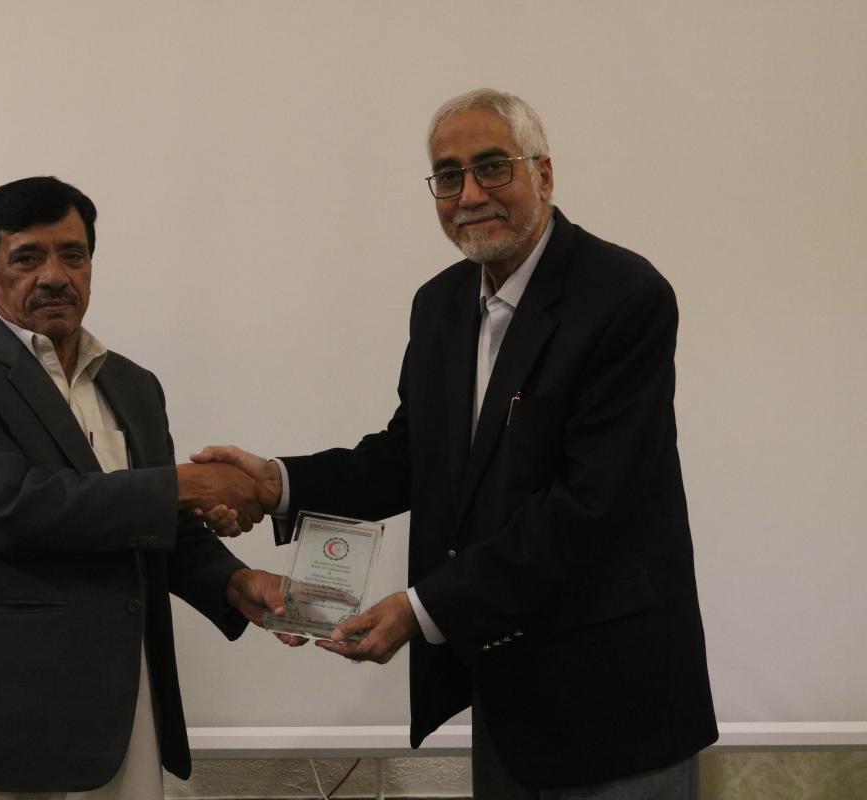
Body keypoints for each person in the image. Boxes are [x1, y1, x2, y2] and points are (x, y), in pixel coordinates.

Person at [194, 89, 718, 798]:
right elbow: (410, 457)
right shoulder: (440, 305)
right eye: (448, 176)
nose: (469, 194)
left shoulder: (624, 296)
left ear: (544, 173)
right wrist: (275, 483)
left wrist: (422, 609)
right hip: (503, 696)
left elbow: (587, 506)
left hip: (615, 705)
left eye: (492, 166)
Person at [0, 176, 293, 799]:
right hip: (7, 714)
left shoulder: (134, 384)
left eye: (72, 255)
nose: (54, 276)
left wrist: (235, 582)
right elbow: (12, 509)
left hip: (127, 703)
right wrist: (184, 484)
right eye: (27, 258)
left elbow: (151, 525)